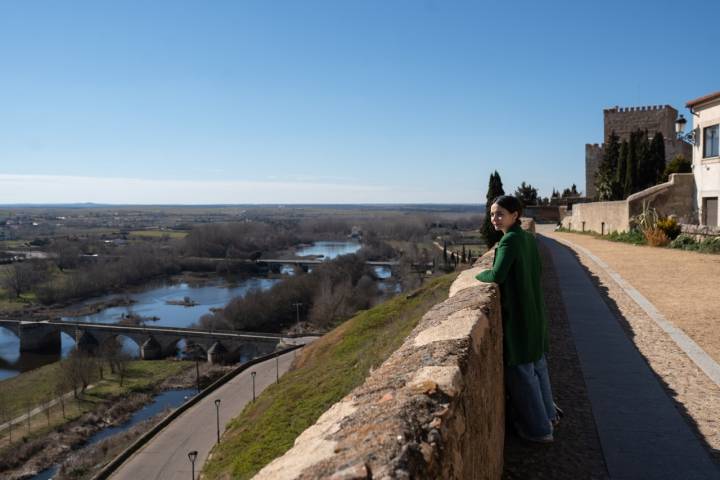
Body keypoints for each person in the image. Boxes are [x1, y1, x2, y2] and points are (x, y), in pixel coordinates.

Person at [475, 195, 557, 443]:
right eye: (491, 214)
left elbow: (497, 275)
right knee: (538, 365)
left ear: (515, 215)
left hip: (520, 313)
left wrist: (478, 275)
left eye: (500, 214)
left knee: (522, 372)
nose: (494, 219)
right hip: (534, 311)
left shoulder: (510, 241)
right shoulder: (528, 239)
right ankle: (549, 415)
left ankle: (539, 430)